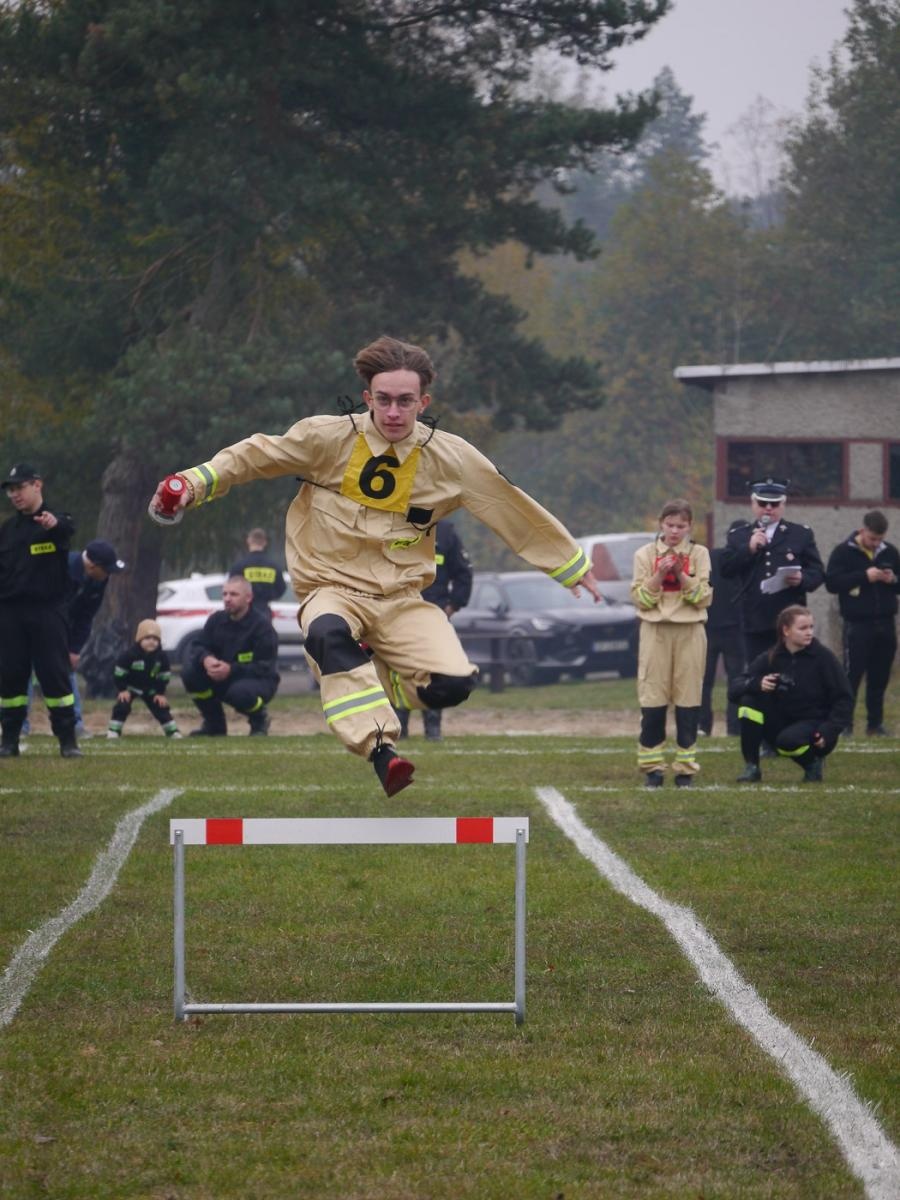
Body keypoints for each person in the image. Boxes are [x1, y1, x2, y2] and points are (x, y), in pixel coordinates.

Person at [149, 335, 601, 795]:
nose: (393, 413)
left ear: (423, 402)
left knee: (454, 686)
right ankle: (383, 753)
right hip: (332, 592)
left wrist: (567, 562)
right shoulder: (326, 438)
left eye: (405, 402)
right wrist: (190, 484)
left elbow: (508, 504)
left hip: (403, 602)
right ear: (367, 398)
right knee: (327, 633)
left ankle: (385, 678)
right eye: (383, 400)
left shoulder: (452, 458)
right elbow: (255, 455)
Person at [0, 463, 82, 758]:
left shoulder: (56, 521)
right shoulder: (7, 531)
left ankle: (67, 740)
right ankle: (9, 739)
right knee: (10, 677)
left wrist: (52, 525)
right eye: (11, 489)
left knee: (55, 675)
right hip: (10, 613)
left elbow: (66, 529)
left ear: (37, 485)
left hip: (47, 611)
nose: (14, 494)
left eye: (19, 487)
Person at [630, 499, 711, 788]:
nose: (675, 531)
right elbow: (641, 598)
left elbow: (702, 597)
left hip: (690, 630)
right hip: (655, 631)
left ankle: (685, 769)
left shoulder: (699, 553)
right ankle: (653, 767)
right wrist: (661, 573)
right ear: (660, 524)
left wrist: (679, 574)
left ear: (690, 527)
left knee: (688, 698)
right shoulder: (644, 554)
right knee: (653, 697)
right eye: (670, 525)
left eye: (681, 526)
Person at [730, 605, 852, 783]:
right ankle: (752, 767)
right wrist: (758, 684)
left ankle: (812, 763)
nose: (809, 632)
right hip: (782, 723)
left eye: (811, 627)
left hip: (816, 727)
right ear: (785, 630)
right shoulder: (771, 657)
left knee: (788, 741)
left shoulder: (824, 658)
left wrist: (828, 731)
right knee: (749, 702)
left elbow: (845, 699)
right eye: (803, 628)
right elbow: (734, 689)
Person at [23, 538, 126, 737]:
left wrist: (74, 649)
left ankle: (73, 724)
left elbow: (86, 616)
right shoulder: (61, 568)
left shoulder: (99, 580)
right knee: (23, 672)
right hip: (32, 622)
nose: (109, 575)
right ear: (92, 565)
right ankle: (19, 726)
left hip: (60, 630)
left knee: (66, 672)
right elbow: (39, 603)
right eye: (107, 569)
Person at [720, 477, 825, 664]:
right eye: (762, 503)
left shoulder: (800, 534)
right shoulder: (739, 536)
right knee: (758, 673)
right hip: (754, 619)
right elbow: (726, 569)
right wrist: (749, 549)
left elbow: (817, 572)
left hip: (789, 619)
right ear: (753, 504)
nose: (768, 508)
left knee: (791, 671)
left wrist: (802, 578)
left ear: (783, 505)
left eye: (775, 504)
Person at [396, 519, 473, 741]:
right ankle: (400, 729)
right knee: (399, 671)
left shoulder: (446, 531)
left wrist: (453, 605)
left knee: (435, 671)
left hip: (434, 614)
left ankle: (433, 730)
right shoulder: (391, 523)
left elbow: (464, 572)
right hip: (399, 613)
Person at [825, 509, 900, 736]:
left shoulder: (890, 553)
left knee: (879, 677)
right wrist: (864, 577)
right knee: (851, 676)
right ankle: (845, 723)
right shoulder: (843, 552)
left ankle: (874, 724)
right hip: (857, 625)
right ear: (862, 531)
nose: (875, 544)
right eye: (872, 539)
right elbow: (832, 583)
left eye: (879, 539)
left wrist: (892, 579)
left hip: (885, 623)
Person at [181, 575, 280, 736]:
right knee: (190, 674)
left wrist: (231, 669)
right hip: (222, 676)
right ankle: (214, 724)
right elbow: (198, 646)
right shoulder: (216, 620)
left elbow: (265, 666)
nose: (227, 599)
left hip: (257, 680)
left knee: (239, 693)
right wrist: (206, 658)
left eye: (233, 594)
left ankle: (259, 719)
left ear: (248, 597)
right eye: (225, 594)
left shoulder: (262, 627)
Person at [107, 619, 181, 739]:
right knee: (122, 706)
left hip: (150, 689)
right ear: (139, 639)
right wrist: (122, 689)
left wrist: (160, 693)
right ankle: (113, 731)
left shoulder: (161, 657)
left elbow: (164, 675)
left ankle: (172, 731)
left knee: (160, 706)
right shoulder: (130, 655)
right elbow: (119, 673)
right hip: (131, 687)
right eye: (147, 638)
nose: (152, 642)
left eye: (155, 639)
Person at [698, 546, 743, 738]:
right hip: (734, 629)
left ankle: (703, 726)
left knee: (704, 682)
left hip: (708, 626)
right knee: (736, 680)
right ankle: (734, 727)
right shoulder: (742, 560)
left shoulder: (708, 557)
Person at [228, 528, 286, 618]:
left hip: (244, 613)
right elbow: (281, 588)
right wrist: (269, 596)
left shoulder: (239, 566)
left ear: (248, 541)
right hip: (264, 613)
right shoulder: (274, 567)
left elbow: (230, 588)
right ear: (265, 542)